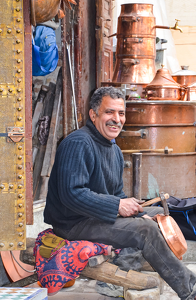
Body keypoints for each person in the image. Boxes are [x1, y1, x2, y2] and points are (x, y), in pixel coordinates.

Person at [44, 86, 196, 300]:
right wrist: (117, 206)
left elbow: (115, 192)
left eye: (121, 113)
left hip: (95, 218)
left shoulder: (114, 150)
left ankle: (123, 272)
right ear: (93, 114)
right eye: (109, 112)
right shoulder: (78, 143)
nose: (116, 119)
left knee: (155, 216)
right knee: (144, 229)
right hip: (72, 223)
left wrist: (130, 206)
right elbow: (72, 194)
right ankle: (190, 290)